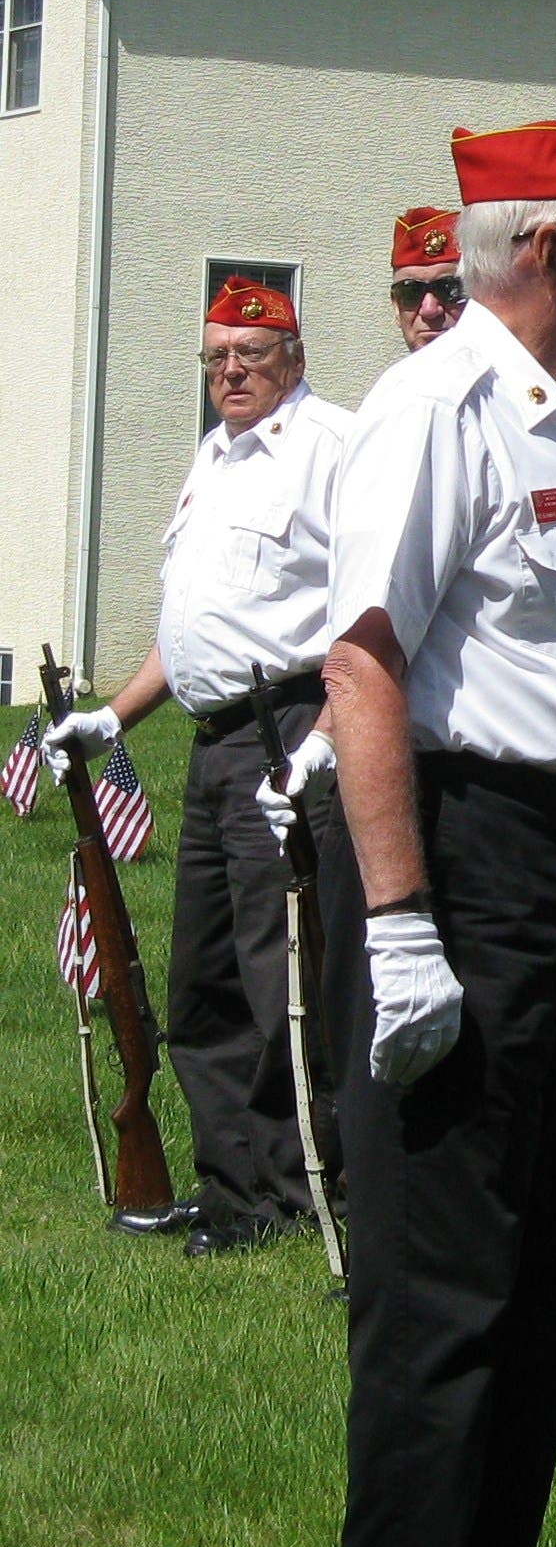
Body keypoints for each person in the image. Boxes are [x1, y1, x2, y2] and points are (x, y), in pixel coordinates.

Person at [314, 118, 556, 1547]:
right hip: (455, 850)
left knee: (530, 1269)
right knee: (442, 1280)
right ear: (542, 255)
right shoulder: (434, 407)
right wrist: (396, 923)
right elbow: (365, 660)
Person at [46, 276, 352, 1251]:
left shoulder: (328, 450)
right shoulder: (213, 458)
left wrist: (321, 744)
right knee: (204, 982)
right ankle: (232, 1188)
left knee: (283, 975)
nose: (230, 373)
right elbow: (193, 628)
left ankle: (304, 1186)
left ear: (293, 357)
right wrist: (115, 717)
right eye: (216, 358)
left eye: (249, 356)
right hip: (214, 743)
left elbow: (371, 614)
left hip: (291, 728)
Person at [388, 206, 466, 351]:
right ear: (396, 306)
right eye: (410, 292)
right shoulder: (394, 375)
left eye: (448, 289)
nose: (429, 310)